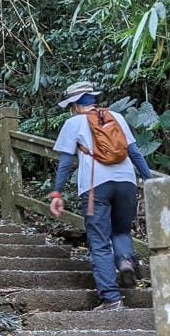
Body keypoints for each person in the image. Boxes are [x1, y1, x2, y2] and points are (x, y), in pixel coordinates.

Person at [47, 81, 154, 311]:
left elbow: (66, 162)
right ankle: (125, 260)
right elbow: (134, 152)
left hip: (96, 186)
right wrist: (150, 181)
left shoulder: (73, 122)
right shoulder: (116, 116)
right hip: (126, 182)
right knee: (121, 231)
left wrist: (57, 192)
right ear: (93, 100)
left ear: (74, 105)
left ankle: (112, 299)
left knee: (99, 243)